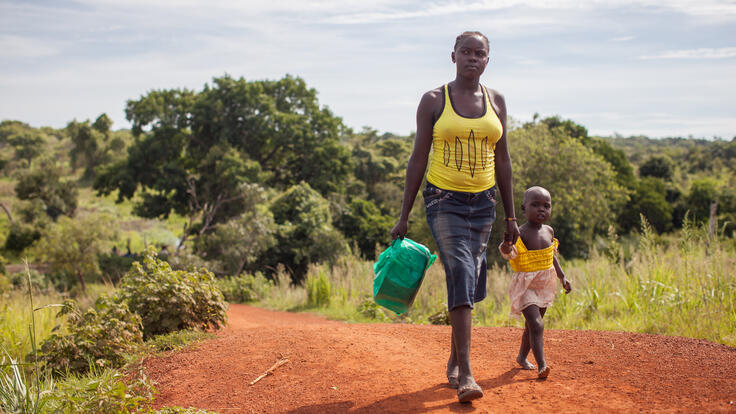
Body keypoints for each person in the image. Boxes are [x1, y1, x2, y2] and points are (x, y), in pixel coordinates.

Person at [390, 31, 519, 403]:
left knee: (472, 281)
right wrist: (404, 214)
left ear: (488, 60)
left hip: (484, 204)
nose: (472, 58)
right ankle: (466, 373)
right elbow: (418, 158)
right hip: (442, 200)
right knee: (461, 270)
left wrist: (511, 219)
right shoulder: (434, 100)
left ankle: (454, 356)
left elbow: (503, 159)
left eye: (480, 53)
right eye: (466, 52)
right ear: (453, 56)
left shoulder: (497, 101)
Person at [499, 186, 572, 379]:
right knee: (537, 324)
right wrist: (506, 244)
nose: (542, 209)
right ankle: (542, 365)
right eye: (535, 205)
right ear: (523, 208)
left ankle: (522, 357)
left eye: (546, 206)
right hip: (525, 285)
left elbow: (551, 257)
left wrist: (562, 276)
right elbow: (508, 254)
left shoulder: (549, 231)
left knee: (532, 326)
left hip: (544, 284)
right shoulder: (520, 232)